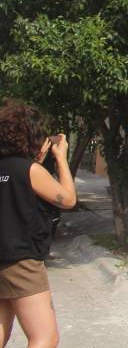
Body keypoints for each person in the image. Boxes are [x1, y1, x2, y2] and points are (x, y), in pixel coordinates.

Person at [0, 99, 77, 348]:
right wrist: (61, 158)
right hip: (21, 261)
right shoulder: (30, 170)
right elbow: (68, 199)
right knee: (45, 337)